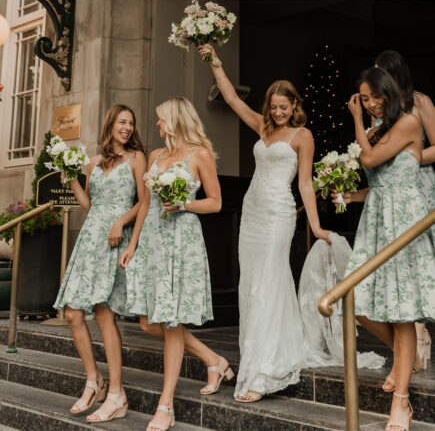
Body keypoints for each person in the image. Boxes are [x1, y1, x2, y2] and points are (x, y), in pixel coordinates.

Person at [198, 44, 331, 403]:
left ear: (295, 106)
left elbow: (305, 183)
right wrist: (215, 63)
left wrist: (316, 226)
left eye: (284, 107)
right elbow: (230, 98)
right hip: (252, 212)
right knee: (251, 286)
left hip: (279, 215)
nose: (278, 112)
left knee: (268, 284)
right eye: (273, 107)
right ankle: (255, 359)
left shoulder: (303, 136)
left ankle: (266, 371)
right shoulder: (262, 126)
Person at [119, 97, 232, 431]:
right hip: (153, 243)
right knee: (146, 322)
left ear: (176, 119)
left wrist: (184, 203)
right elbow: (144, 205)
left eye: (161, 119)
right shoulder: (156, 156)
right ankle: (214, 360)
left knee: (170, 324)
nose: (157, 124)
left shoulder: (199, 154)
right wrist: (134, 245)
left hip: (182, 243)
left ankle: (165, 405)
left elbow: (216, 202)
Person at [346, 67, 435, 431]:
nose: (369, 105)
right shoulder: (376, 132)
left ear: (390, 92)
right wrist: (351, 195)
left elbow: (367, 160)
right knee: (355, 299)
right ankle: (408, 355)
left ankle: (401, 403)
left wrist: (354, 119)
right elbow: (379, 180)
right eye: (363, 99)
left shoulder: (410, 123)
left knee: (400, 311)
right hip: (376, 221)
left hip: (404, 220)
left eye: (375, 97)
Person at [53, 104, 147, 422]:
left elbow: (145, 201)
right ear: (110, 124)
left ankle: (118, 395)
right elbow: (90, 206)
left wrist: (121, 222)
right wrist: (74, 182)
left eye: (131, 123)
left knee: (105, 316)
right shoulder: (93, 162)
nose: (127, 127)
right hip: (91, 240)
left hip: (115, 240)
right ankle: (94, 381)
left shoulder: (136, 158)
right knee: (72, 313)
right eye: (122, 122)